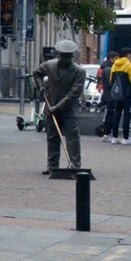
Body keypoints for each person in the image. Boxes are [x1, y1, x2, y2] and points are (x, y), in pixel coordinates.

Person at [32, 38, 85, 172]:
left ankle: (75, 165)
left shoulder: (79, 71)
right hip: (51, 105)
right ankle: (52, 166)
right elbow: (36, 73)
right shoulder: (49, 65)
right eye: (63, 56)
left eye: (69, 56)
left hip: (69, 108)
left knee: (72, 137)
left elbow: (74, 93)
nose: (66, 58)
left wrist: (58, 107)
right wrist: (41, 87)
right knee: (52, 136)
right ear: (58, 55)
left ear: (72, 56)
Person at [100, 50, 131, 143]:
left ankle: (114, 137)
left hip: (117, 94)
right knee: (127, 115)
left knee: (117, 114)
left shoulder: (114, 66)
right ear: (128, 55)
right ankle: (125, 138)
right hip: (127, 95)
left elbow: (111, 81)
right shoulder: (130, 66)